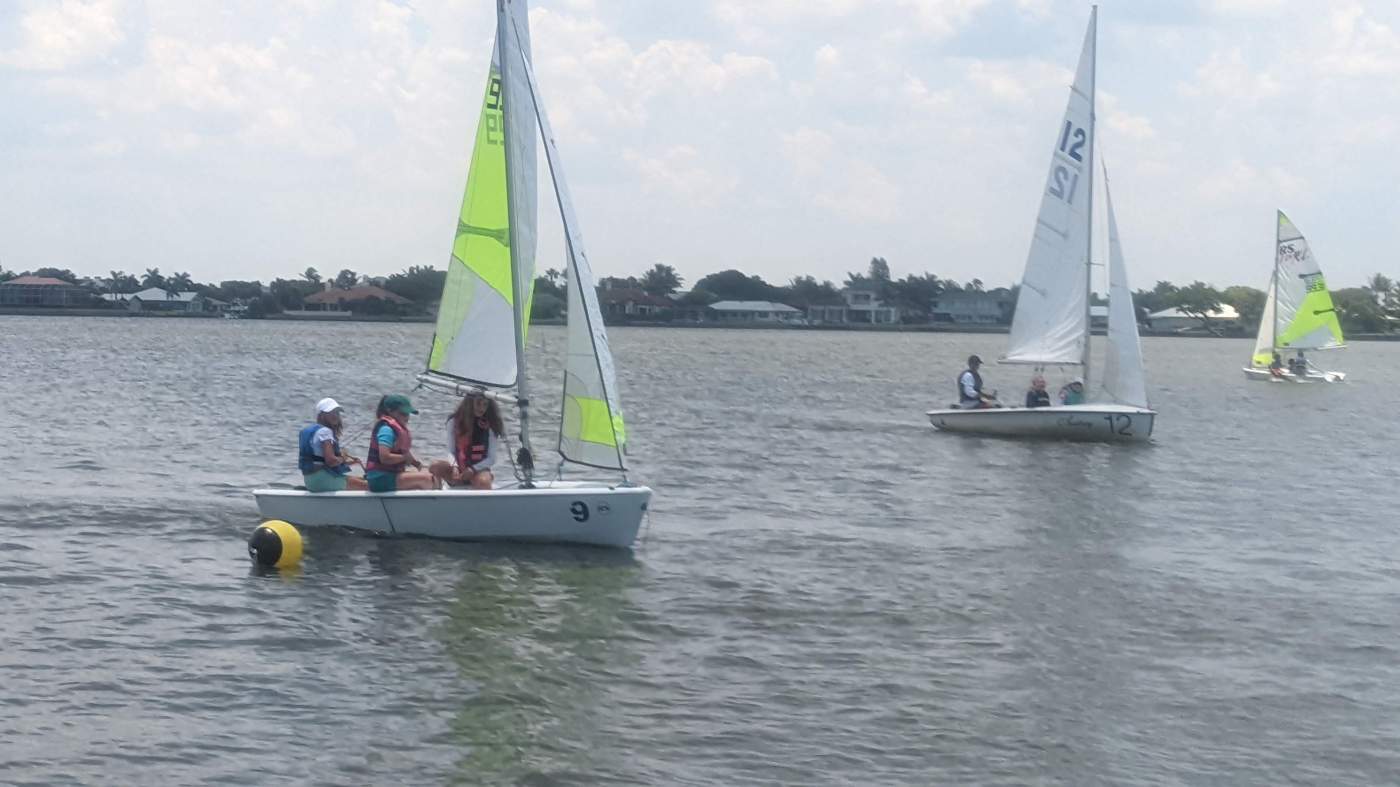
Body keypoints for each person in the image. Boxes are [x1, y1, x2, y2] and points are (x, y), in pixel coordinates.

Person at [430, 393, 505, 490]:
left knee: (483, 481)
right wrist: (455, 466)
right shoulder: (453, 421)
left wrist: (473, 469)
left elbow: (491, 458)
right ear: (470, 403)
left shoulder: (491, 426)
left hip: (478, 471)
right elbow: (451, 450)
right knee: (435, 466)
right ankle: (438, 497)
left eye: (485, 405)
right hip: (458, 469)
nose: (481, 408)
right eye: (478, 403)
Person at [365, 394, 438, 492]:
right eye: (403, 413)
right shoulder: (386, 430)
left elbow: (405, 454)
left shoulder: (397, 430)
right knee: (427, 479)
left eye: (408, 414)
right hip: (379, 478)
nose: (407, 417)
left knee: (434, 476)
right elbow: (384, 457)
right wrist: (404, 458)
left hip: (390, 474)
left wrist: (418, 465)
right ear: (390, 411)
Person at [298, 397, 367, 492]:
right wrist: (343, 457)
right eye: (331, 412)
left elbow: (321, 461)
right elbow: (331, 461)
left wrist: (351, 462)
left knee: (360, 479)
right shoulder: (325, 432)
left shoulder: (311, 431)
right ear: (321, 415)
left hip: (310, 480)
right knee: (369, 486)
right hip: (322, 480)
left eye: (337, 412)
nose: (336, 415)